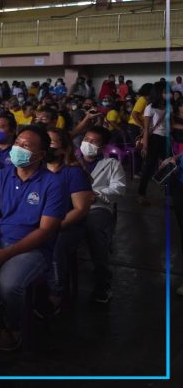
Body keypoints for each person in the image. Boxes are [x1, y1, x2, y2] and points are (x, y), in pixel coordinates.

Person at [0, 125, 67, 351]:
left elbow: (45, 231)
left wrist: (6, 254)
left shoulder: (53, 184)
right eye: (17, 144)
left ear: (41, 155)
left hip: (33, 248)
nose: (18, 149)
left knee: (8, 285)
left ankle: (13, 326)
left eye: (26, 146)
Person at [45, 128, 94, 310]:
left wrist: (51, 227)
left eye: (51, 143)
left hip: (67, 226)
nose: (47, 147)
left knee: (55, 244)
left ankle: (55, 294)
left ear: (64, 150)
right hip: (40, 223)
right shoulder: (38, 170)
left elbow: (81, 210)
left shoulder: (73, 173)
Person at [78, 126, 127, 303]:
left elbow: (119, 188)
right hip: (70, 206)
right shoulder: (73, 161)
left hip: (97, 206)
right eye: (86, 139)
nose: (87, 143)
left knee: (94, 231)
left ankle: (103, 280)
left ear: (102, 146)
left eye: (93, 141)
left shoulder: (111, 164)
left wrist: (97, 194)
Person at [137, 82, 170, 206]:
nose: (169, 94)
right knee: (149, 168)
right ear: (159, 92)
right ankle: (141, 194)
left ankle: (168, 196)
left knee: (170, 167)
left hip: (166, 139)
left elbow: (170, 124)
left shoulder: (168, 107)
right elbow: (146, 128)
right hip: (154, 139)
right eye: (166, 91)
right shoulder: (150, 107)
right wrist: (145, 145)